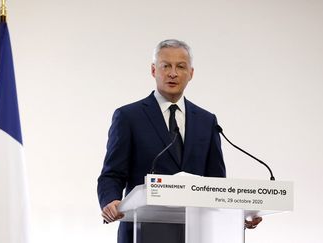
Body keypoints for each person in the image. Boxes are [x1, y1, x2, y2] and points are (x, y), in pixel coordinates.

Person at [97, 39, 261, 243]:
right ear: (153, 70)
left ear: (191, 73)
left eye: (180, 67)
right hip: (143, 230)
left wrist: (237, 214)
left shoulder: (207, 121)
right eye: (166, 66)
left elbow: (216, 183)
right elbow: (112, 174)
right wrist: (110, 200)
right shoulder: (129, 116)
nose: (173, 73)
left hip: (197, 232)